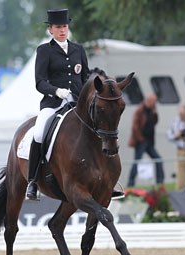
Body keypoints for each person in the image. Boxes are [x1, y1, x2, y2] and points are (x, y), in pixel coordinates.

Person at [26, 8, 125, 200]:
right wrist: (56, 90)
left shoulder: (78, 49)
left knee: (102, 129)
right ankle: (32, 182)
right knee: (38, 133)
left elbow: (86, 75)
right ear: (51, 30)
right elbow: (39, 81)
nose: (62, 30)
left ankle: (107, 181)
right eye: (58, 27)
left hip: (78, 102)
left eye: (64, 26)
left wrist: (98, 86)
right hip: (54, 102)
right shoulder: (44, 50)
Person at [127, 94, 164, 187]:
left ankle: (160, 182)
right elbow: (134, 127)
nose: (155, 103)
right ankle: (130, 183)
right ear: (149, 101)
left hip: (149, 142)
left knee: (158, 159)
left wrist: (155, 112)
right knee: (137, 162)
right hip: (141, 142)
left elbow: (154, 122)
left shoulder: (152, 110)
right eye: (154, 102)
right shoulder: (139, 110)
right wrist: (140, 138)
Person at [167, 104, 185, 190]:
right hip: (180, 150)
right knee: (180, 173)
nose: (181, 116)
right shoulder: (175, 121)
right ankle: (180, 191)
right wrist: (176, 135)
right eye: (180, 114)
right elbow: (169, 135)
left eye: (183, 114)